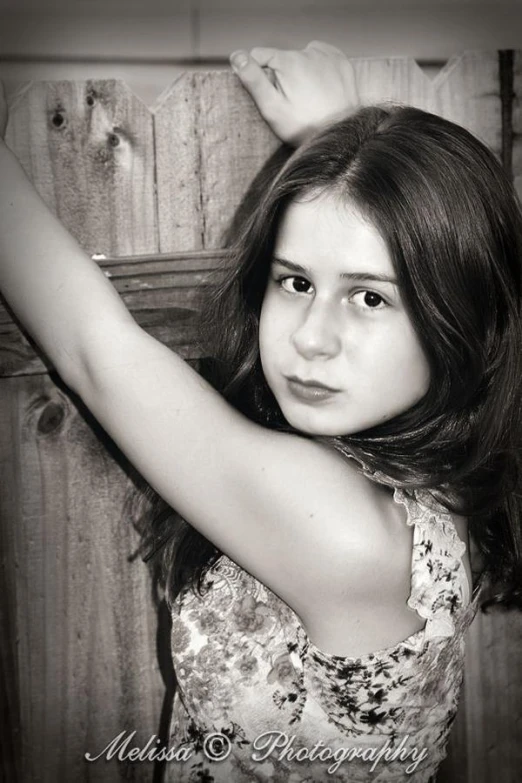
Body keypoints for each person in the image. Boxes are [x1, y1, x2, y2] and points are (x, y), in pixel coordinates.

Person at [1, 42, 521, 783]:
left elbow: (96, 353)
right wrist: (339, 138)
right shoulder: (437, 470)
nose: (311, 338)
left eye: (370, 298)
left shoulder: (344, 531)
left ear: (462, 318)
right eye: (295, 282)